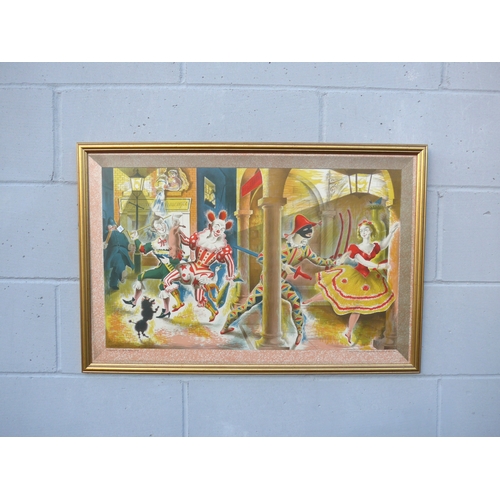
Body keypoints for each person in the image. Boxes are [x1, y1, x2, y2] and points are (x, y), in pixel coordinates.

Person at [220, 214, 335, 346]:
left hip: (281, 283)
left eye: (311, 230)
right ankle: (225, 326)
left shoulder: (304, 249)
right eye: (307, 229)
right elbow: (261, 258)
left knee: (295, 301)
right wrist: (282, 266)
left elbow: (318, 260)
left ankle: (299, 333)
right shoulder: (280, 243)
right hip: (267, 282)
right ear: (299, 230)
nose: (310, 233)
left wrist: (333, 262)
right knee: (247, 306)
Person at [304, 219, 400, 345]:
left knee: (358, 307)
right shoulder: (356, 248)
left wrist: (391, 233)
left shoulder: (374, 246)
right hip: (356, 276)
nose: (364, 232)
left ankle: (348, 332)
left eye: (366, 230)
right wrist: (379, 266)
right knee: (332, 291)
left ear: (371, 231)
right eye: (362, 231)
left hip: (369, 278)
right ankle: (310, 300)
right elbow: (364, 262)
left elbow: (383, 245)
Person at [163, 210, 235, 322]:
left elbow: (230, 262)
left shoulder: (222, 247)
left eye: (222, 229)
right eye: (217, 226)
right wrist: (178, 231)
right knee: (167, 280)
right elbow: (186, 241)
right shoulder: (200, 237)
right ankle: (179, 302)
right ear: (211, 226)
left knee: (199, 298)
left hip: (203, 272)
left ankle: (213, 311)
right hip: (192, 266)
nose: (218, 230)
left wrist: (230, 277)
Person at [122, 215, 184, 318]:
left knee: (162, 286)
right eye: (157, 227)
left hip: (172, 269)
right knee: (140, 277)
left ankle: (166, 311)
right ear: (155, 230)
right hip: (162, 268)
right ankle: (134, 301)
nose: (161, 227)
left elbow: (179, 257)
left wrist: (169, 261)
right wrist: (136, 238)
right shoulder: (155, 243)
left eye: (161, 224)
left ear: (164, 223)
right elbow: (142, 249)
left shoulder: (174, 239)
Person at [103, 218, 134, 290]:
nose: (112, 227)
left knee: (119, 261)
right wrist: (104, 244)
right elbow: (103, 244)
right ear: (108, 227)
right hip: (113, 252)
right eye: (110, 226)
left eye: (114, 226)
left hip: (123, 251)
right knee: (119, 259)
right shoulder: (106, 235)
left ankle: (114, 283)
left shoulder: (122, 234)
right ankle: (121, 274)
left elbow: (127, 244)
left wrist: (129, 246)